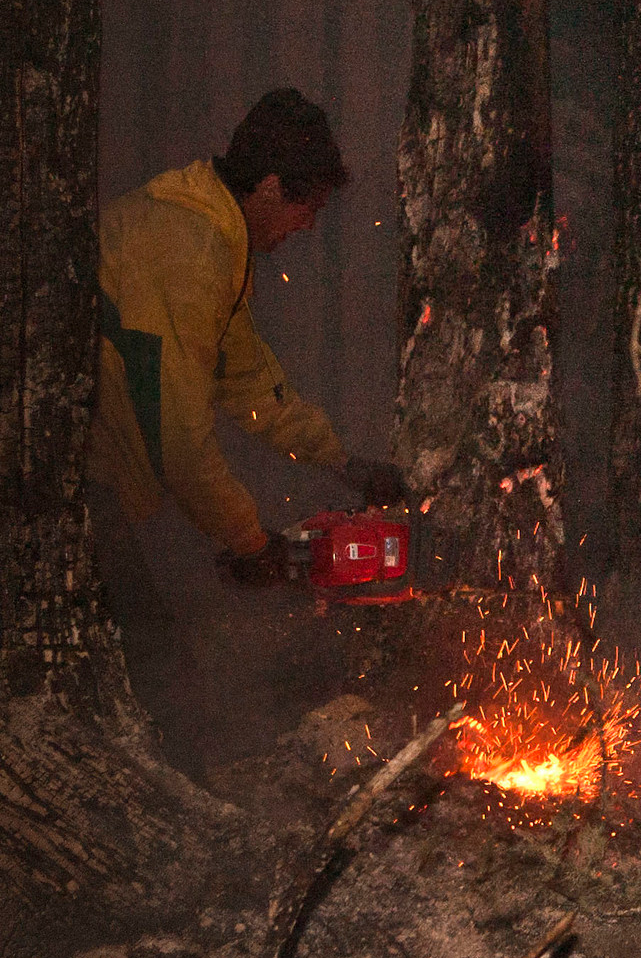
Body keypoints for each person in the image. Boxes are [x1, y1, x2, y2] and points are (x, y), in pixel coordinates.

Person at [89, 88, 406, 775]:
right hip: (74, 479)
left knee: (148, 650)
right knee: (149, 661)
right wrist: (249, 539)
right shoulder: (190, 249)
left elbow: (249, 383)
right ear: (268, 186)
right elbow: (179, 436)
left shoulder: (214, 237)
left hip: (100, 475)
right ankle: (173, 794)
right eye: (305, 208)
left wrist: (341, 461)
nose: (305, 227)